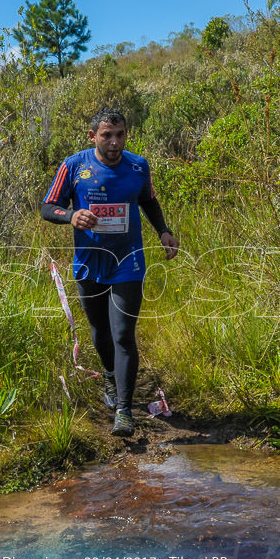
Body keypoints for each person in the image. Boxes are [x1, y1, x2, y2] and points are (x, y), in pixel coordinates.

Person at [41, 108, 179, 437]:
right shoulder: (74, 165)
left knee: (123, 335)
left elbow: (148, 201)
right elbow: (48, 207)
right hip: (89, 263)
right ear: (93, 137)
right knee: (100, 332)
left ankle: (124, 410)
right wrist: (71, 216)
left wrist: (163, 231)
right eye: (107, 135)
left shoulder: (138, 165)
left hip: (128, 261)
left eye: (120, 135)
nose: (114, 142)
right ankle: (107, 374)